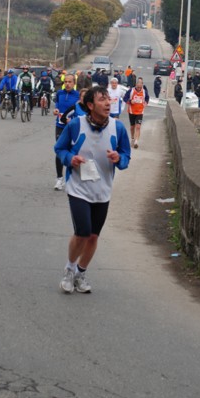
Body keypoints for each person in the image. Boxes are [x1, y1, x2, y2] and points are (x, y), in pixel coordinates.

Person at [55, 85, 131, 294]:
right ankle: (69, 270)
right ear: (90, 105)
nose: (108, 103)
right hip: (78, 188)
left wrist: (119, 159)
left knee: (93, 237)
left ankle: (81, 272)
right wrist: (70, 159)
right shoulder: (75, 125)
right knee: (82, 232)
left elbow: (126, 156)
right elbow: (59, 148)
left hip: (103, 190)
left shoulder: (118, 128)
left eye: (109, 99)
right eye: (102, 99)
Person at [53, 73, 79, 190]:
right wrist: (56, 110)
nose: (67, 84)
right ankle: (59, 179)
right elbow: (57, 105)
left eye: (70, 82)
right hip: (60, 126)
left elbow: (80, 112)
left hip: (72, 128)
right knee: (59, 151)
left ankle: (72, 179)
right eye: (66, 82)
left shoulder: (78, 96)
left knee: (72, 152)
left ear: (74, 83)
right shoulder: (60, 93)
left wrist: (73, 121)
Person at [123, 76, 149, 149]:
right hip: (131, 111)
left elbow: (147, 98)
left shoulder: (144, 91)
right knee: (132, 127)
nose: (139, 89)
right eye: (138, 87)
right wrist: (130, 101)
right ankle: (132, 138)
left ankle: (136, 142)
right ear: (136, 85)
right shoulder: (131, 90)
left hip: (140, 111)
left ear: (142, 86)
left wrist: (146, 103)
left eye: (140, 87)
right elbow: (125, 98)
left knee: (138, 126)